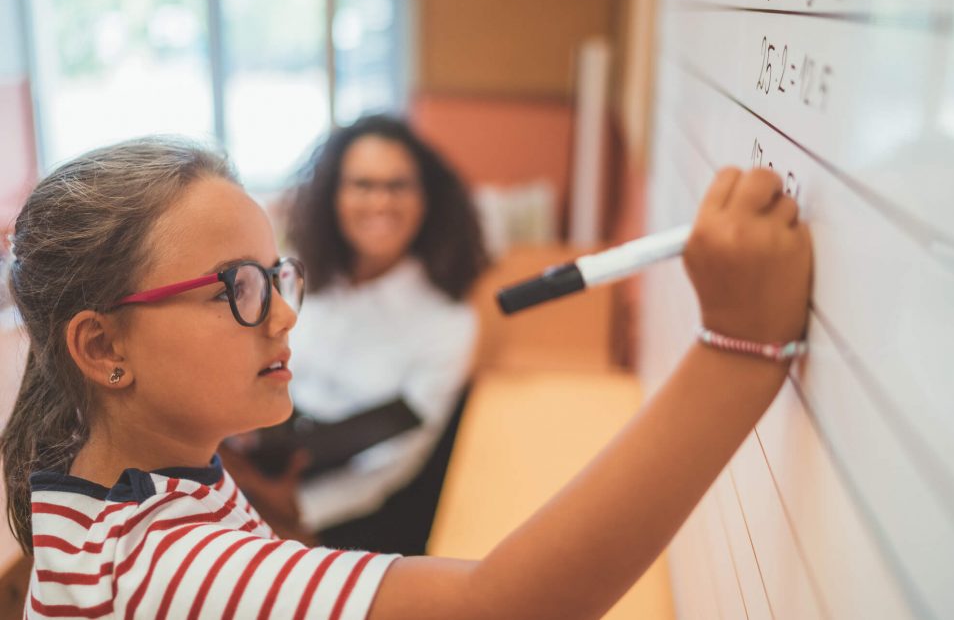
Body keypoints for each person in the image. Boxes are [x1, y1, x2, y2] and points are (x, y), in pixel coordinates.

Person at [2, 135, 811, 619]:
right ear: (104, 349)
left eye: (276, 276)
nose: (284, 316)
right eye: (237, 289)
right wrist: (737, 349)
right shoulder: (169, 564)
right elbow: (501, 607)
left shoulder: (128, 488)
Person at [244, 115, 487, 554]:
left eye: (398, 186)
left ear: (425, 199)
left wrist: (288, 511)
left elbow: (389, 470)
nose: (380, 202)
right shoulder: (295, 274)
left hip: (341, 515)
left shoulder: (448, 323)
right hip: (247, 469)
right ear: (333, 195)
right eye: (362, 185)